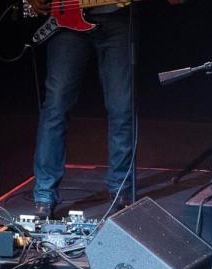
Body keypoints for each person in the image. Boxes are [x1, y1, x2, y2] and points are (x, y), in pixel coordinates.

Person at [27, 0, 184, 218]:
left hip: (117, 18)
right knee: (56, 105)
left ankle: (121, 189)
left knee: (122, 107)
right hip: (66, 18)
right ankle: (45, 193)